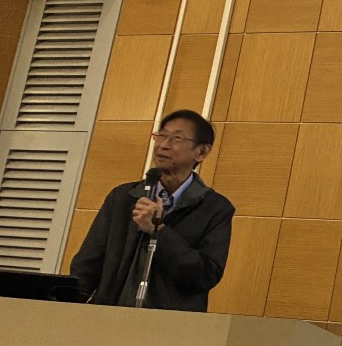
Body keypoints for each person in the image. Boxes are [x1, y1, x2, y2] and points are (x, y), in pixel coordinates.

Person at [69, 110, 235, 311]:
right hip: (109, 317)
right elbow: (87, 265)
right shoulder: (123, 197)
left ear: (201, 152)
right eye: (161, 135)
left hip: (169, 325)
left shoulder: (215, 209)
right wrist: (72, 309)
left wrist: (159, 231)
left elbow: (205, 275)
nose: (163, 145)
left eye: (177, 138)